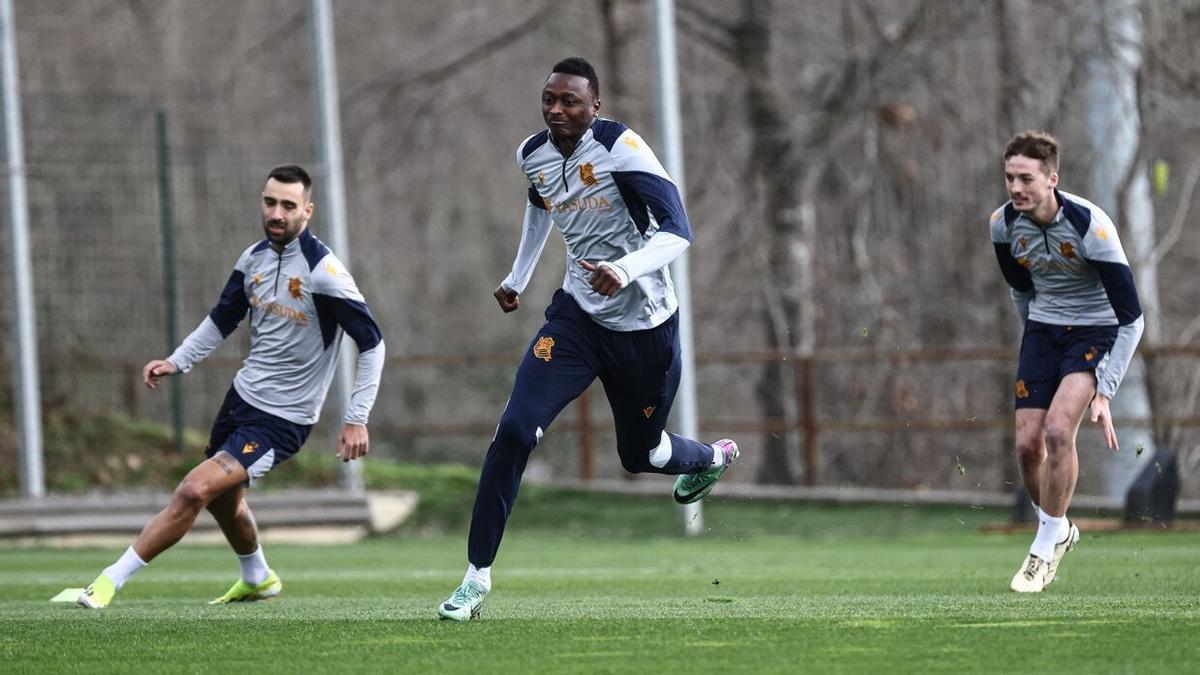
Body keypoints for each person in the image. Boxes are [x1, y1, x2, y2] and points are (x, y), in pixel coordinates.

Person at [437, 57, 739, 621]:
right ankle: (475, 580)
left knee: (641, 454)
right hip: (576, 319)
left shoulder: (622, 148)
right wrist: (518, 276)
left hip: (646, 328)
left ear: (594, 106)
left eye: (570, 100)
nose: (556, 109)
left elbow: (679, 233)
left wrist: (625, 270)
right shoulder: (532, 153)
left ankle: (710, 456)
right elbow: (540, 203)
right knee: (513, 432)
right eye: (549, 98)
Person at [77, 165, 385, 608]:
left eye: (288, 205)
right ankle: (258, 576)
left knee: (193, 490)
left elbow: (373, 343)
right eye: (269, 202)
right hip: (240, 401)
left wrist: (356, 418)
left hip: (283, 420)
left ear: (308, 210)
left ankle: (109, 580)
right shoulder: (253, 259)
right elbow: (222, 319)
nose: (276, 213)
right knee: (222, 499)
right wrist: (176, 361)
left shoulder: (325, 273)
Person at [990, 132, 1143, 593]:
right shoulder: (1002, 225)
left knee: (1059, 431)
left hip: (1095, 332)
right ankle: (1059, 528)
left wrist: (1106, 387)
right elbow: (1021, 292)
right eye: (1010, 178)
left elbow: (1132, 319)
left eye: (1026, 179)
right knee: (1027, 447)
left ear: (1052, 179)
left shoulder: (1091, 226)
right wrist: (1033, 344)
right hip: (1042, 331)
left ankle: (1041, 552)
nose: (1016, 188)